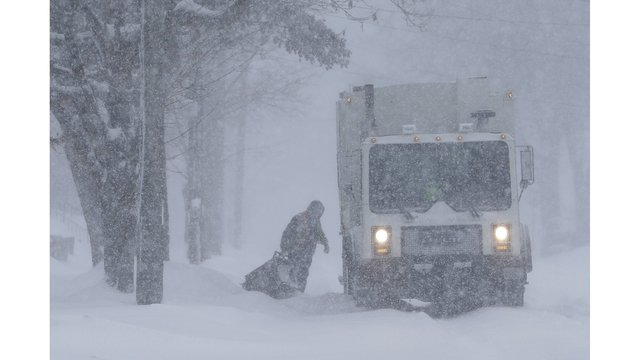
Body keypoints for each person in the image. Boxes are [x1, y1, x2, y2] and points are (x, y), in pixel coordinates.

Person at [279, 200, 330, 292]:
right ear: (312, 209)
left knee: (303, 272)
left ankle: (300, 292)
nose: (318, 214)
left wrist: (325, 244)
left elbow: (320, 234)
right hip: (296, 251)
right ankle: (290, 290)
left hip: (308, 253)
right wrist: (284, 248)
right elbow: (287, 234)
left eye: (320, 212)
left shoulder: (316, 221)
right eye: (317, 211)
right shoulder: (298, 218)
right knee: (293, 270)